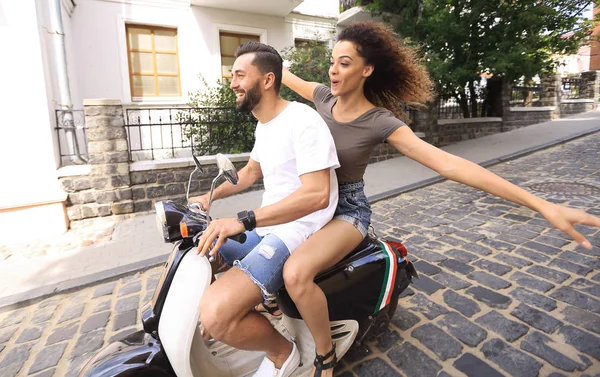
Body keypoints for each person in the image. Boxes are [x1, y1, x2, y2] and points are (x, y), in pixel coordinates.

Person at [279, 21, 600, 377]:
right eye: (332, 61)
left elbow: (448, 163)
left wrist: (543, 205)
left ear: (366, 69)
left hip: (347, 211)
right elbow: (283, 75)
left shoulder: (378, 121)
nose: (332, 70)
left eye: (344, 62)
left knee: (296, 274)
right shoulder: (323, 97)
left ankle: (325, 357)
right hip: (311, 200)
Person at [190, 41, 340, 377]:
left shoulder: (303, 120)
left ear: (268, 80)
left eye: (240, 75)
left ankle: (281, 353)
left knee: (215, 313)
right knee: (199, 249)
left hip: (297, 231)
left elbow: (317, 195)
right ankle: (246, 315)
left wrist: (243, 220)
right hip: (266, 225)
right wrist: (208, 197)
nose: (232, 83)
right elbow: (250, 174)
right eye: (233, 76)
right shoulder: (265, 124)